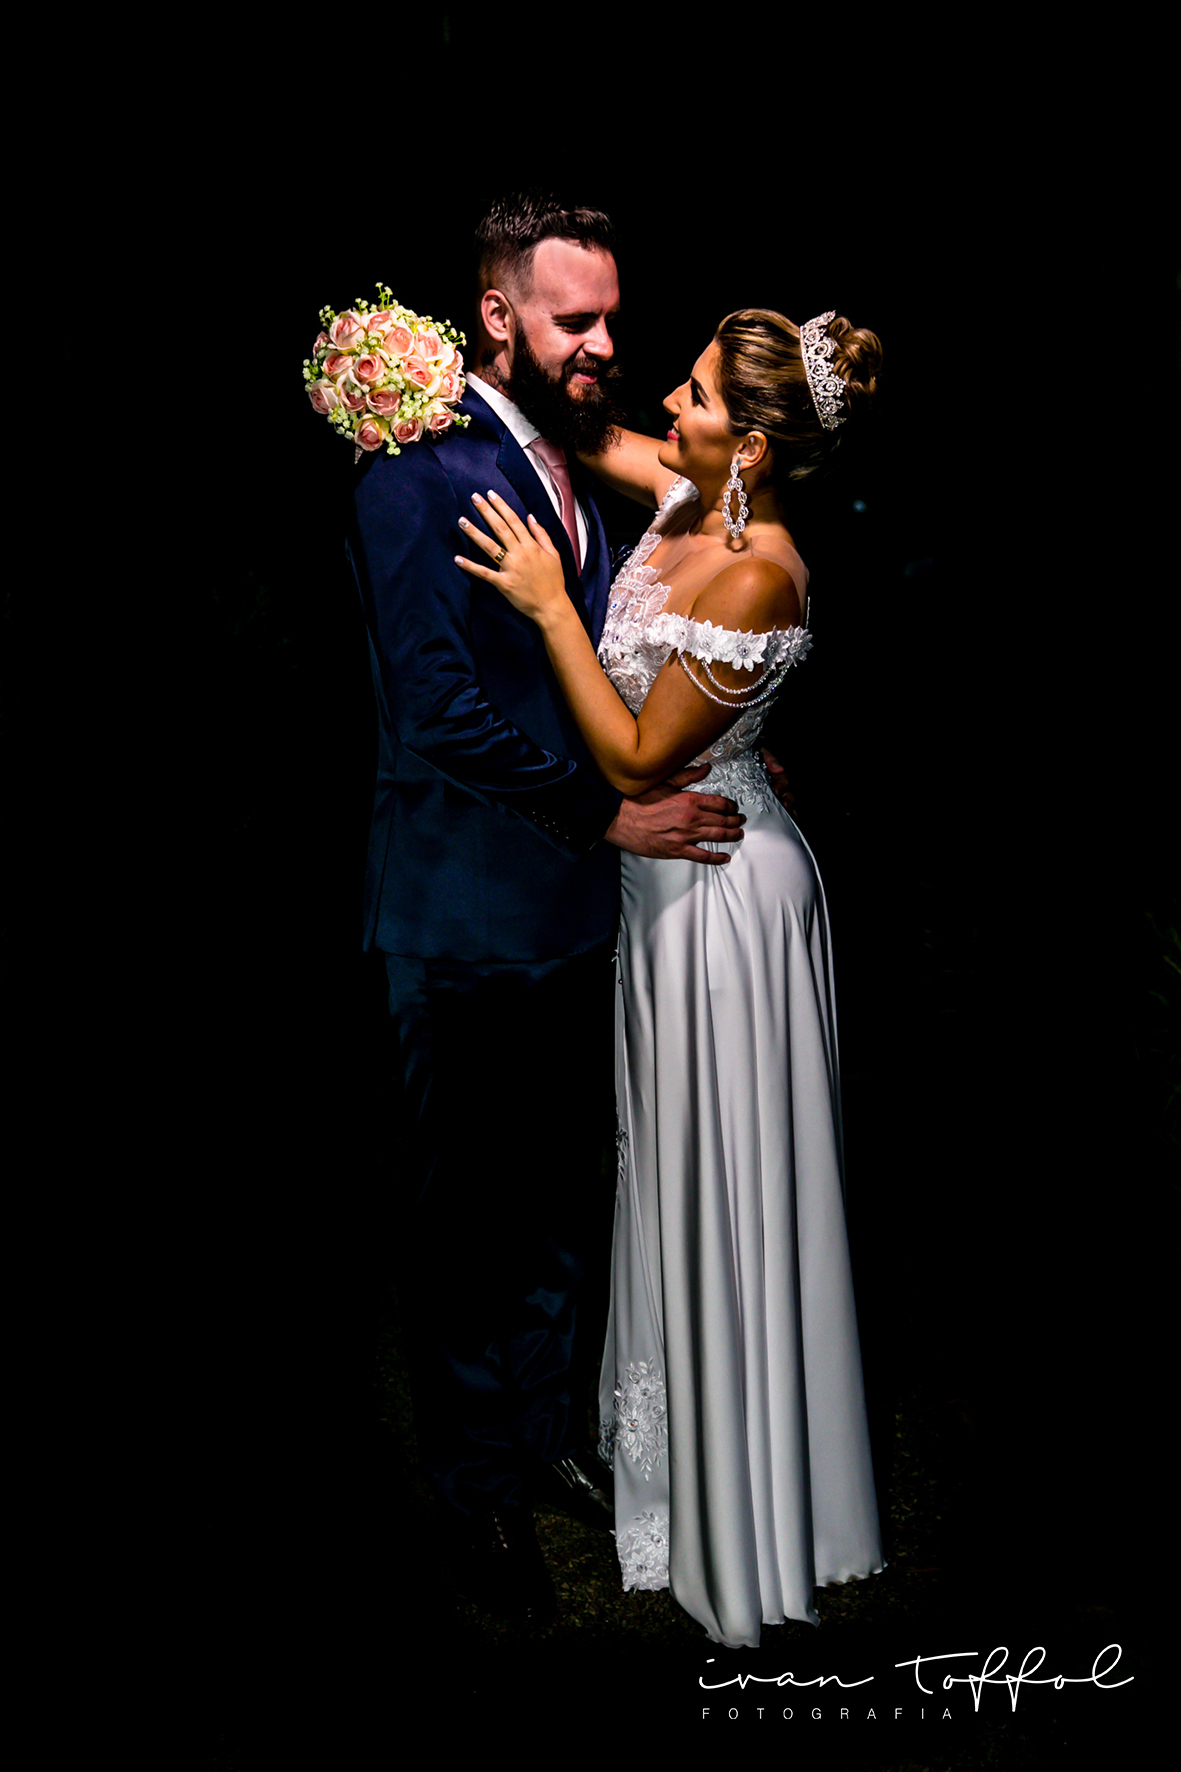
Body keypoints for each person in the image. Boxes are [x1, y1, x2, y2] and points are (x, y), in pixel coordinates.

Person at [345, 195, 751, 1622]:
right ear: (497, 316)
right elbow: (436, 707)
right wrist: (601, 810)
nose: (602, 343)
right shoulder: (410, 471)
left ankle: (542, 1440)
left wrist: (709, 739)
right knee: (465, 1229)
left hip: (575, 915)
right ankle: (478, 1497)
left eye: (610, 318)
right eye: (574, 320)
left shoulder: (567, 455)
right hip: (457, 922)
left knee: (563, 1207)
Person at [456, 306, 885, 1646]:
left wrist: (548, 608)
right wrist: (435, 372)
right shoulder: (692, 491)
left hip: (720, 902)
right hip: (665, 888)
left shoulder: (759, 575)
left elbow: (639, 759)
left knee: (725, 1173)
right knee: (670, 1163)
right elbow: (588, 437)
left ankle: (749, 1501)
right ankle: (683, 1465)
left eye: (694, 396)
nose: (668, 408)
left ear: (749, 447)